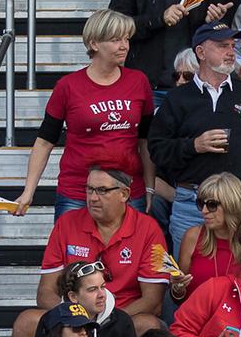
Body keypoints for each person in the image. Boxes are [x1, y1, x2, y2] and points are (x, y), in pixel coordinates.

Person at [12, 167, 169, 337]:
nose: (93, 198)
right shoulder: (67, 223)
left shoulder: (148, 228)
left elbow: (153, 301)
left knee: (149, 325)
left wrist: (107, 319)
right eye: (89, 189)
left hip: (123, 315)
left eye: (102, 190)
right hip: (72, 314)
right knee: (26, 323)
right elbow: (45, 292)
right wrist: (75, 318)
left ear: (124, 194)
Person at [150, 20, 241, 244]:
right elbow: (157, 149)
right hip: (193, 203)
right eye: (222, 46)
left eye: (231, 45)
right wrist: (194, 145)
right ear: (200, 52)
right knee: (188, 275)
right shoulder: (177, 98)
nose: (231, 52)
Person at [14, 11, 154, 217]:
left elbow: (145, 140)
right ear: (94, 43)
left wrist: (150, 187)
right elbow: (44, 141)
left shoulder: (139, 81)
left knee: (130, 249)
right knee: (71, 249)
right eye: (116, 40)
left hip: (128, 190)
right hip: (78, 192)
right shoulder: (68, 86)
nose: (124, 46)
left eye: (126, 39)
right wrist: (28, 191)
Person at [45, 261, 141, 337]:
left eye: (103, 287)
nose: (102, 295)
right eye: (92, 290)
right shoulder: (52, 321)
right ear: (73, 297)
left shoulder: (122, 322)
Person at [169, 174, 241, 302]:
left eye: (212, 205)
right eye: (201, 204)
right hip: (198, 318)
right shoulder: (193, 237)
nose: (204, 211)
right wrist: (178, 289)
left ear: (232, 205)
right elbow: (180, 297)